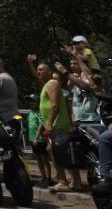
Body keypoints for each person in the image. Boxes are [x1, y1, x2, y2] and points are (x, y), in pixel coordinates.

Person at [33, 58, 83, 192]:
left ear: (49, 71)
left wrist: (49, 124)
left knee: (55, 151)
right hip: (58, 125)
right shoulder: (48, 84)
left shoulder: (52, 84)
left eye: (41, 69)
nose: (38, 72)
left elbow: (55, 105)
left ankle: (63, 181)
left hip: (58, 125)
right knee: (65, 151)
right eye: (37, 70)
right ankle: (75, 182)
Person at [25, 93, 54, 188]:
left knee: (44, 159)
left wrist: (36, 138)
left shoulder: (40, 112)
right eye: (29, 101)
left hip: (40, 140)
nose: (31, 103)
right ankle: (43, 177)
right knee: (38, 159)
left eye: (33, 101)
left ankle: (49, 178)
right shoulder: (30, 112)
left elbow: (41, 125)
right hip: (32, 139)